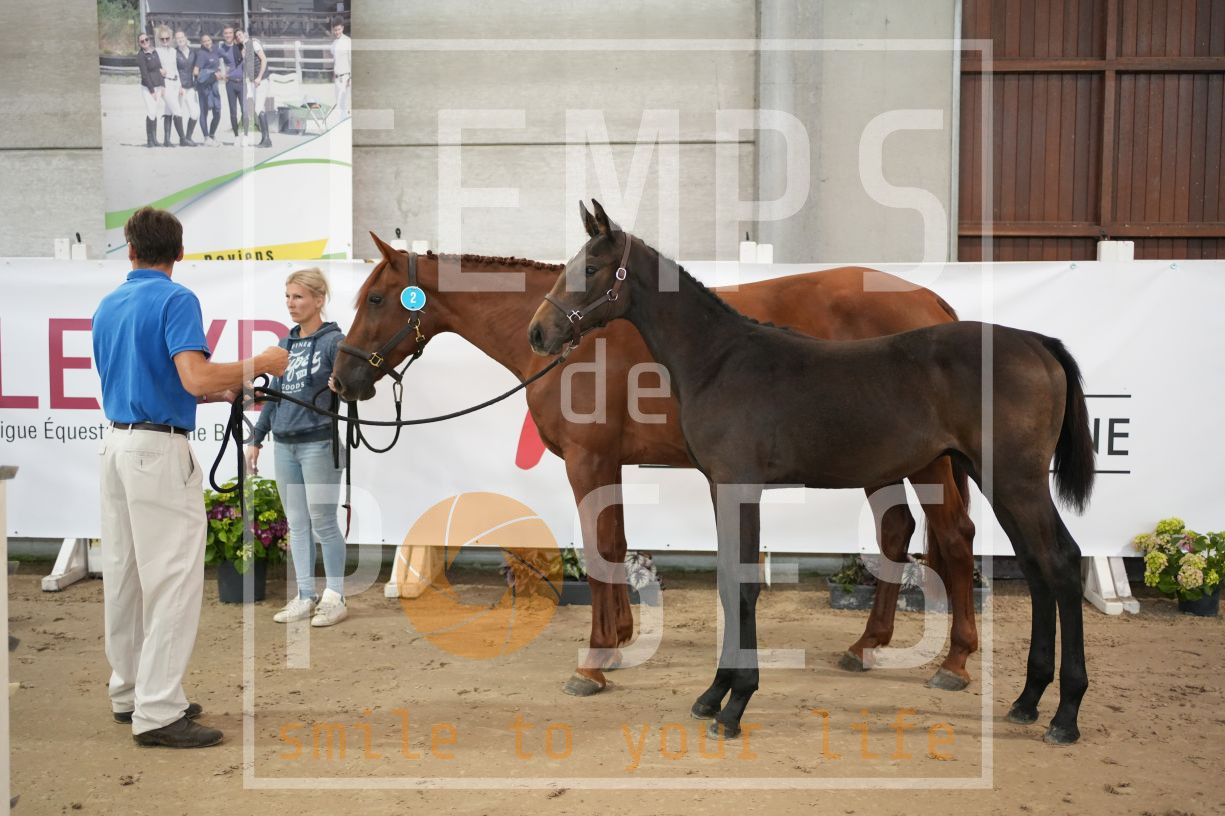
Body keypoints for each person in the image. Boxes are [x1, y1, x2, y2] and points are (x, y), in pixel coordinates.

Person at [93, 207, 289, 748]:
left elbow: (157, 381)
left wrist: (219, 393)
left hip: (116, 443)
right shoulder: (176, 299)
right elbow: (194, 374)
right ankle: (158, 710)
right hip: (158, 452)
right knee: (173, 579)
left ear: (131, 250)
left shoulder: (109, 304)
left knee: (125, 574)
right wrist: (261, 362)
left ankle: (129, 691)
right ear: (180, 253)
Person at [245, 269, 348, 627]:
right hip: (285, 445)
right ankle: (305, 594)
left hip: (319, 443)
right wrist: (257, 438)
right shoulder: (284, 344)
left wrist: (342, 387)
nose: (291, 303)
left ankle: (335, 596)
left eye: (298, 296)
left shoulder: (335, 342)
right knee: (298, 523)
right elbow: (274, 395)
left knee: (324, 522)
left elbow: (353, 388)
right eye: (288, 296)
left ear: (319, 300)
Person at [236, 29, 272, 148]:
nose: (238, 37)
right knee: (259, 108)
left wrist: (260, 77)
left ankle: (266, 139)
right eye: (237, 36)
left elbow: (264, 59)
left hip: (261, 80)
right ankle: (265, 138)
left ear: (245, 34)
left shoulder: (254, 43)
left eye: (240, 34)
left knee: (258, 108)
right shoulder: (243, 48)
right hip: (252, 81)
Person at [153, 26, 189, 147]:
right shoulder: (156, 51)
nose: (164, 41)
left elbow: (176, 69)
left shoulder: (174, 51)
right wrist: (159, 74)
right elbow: (152, 67)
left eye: (167, 38)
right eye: (162, 39)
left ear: (170, 38)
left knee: (168, 111)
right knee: (177, 110)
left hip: (175, 82)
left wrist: (180, 85)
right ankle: (182, 139)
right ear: (159, 39)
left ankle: (166, 140)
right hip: (165, 83)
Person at [135, 33, 165, 147]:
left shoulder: (154, 52)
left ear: (149, 40)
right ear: (139, 43)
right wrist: (152, 91)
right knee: (151, 111)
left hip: (158, 85)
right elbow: (144, 75)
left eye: (146, 39)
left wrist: (162, 85)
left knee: (154, 112)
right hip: (148, 88)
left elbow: (160, 69)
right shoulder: (140, 56)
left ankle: (154, 139)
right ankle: (149, 140)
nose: (145, 42)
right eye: (142, 41)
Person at [193, 33, 222, 146]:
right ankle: (206, 138)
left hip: (214, 84)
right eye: (204, 41)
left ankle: (212, 135)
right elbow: (196, 71)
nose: (206, 43)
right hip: (204, 85)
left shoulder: (215, 50)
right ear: (201, 43)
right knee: (204, 111)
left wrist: (218, 72)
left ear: (211, 41)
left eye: (208, 40)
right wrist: (206, 77)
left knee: (217, 111)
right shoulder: (201, 53)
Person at [218, 25, 244, 145]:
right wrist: (219, 73)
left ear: (233, 34)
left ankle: (245, 136)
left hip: (242, 82)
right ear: (223, 35)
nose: (228, 35)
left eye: (230, 33)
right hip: (230, 83)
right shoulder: (221, 49)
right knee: (233, 111)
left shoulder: (240, 46)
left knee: (245, 111)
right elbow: (214, 62)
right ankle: (236, 136)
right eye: (226, 33)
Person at [173, 31, 201, 146]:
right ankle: (182, 138)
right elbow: (173, 70)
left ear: (186, 38)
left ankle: (188, 137)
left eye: (182, 37)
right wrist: (178, 85)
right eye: (177, 38)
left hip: (190, 86)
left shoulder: (193, 52)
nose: (180, 39)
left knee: (195, 112)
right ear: (175, 40)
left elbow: (197, 68)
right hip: (179, 87)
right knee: (178, 112)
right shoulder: (174, 53)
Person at [329, 18, 350, 122]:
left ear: (342, 28)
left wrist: (350, 78)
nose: (337, 32)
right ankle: (341, 124)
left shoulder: (347, 41)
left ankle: (346, 125)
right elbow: (335, 61)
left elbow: (351, 60)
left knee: (345, 103)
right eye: (335, 30)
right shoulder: (334, 43)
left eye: (339, 29)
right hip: (337, 78)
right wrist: (334, 75)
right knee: (338, 103)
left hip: (345, 77)